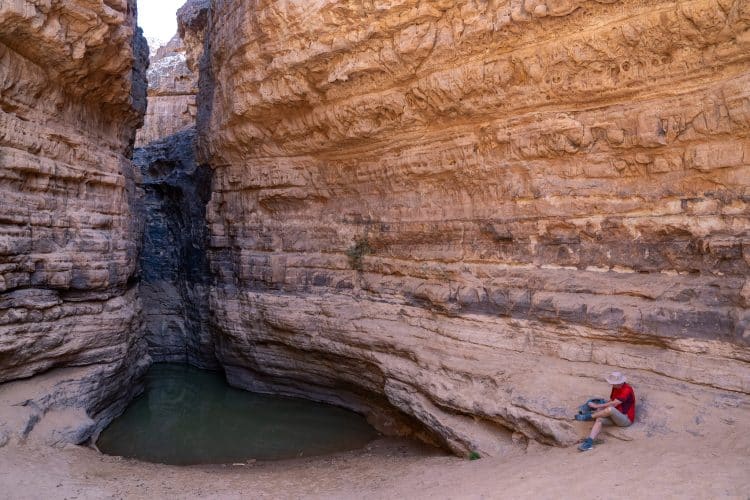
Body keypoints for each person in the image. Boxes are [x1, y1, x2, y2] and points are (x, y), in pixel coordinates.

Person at [578, 371, 635, 451]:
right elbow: (611, 400)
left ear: (620, 382)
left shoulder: (627, 390)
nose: (612, 384)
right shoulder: (615, 387)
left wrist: (597, 406)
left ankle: (587, 417)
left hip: (625, 419)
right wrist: (600, 408)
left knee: (610, 409)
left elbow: (614, 403)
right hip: (615, 417)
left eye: (614, 383)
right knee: (599, 419)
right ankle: (589, 443)